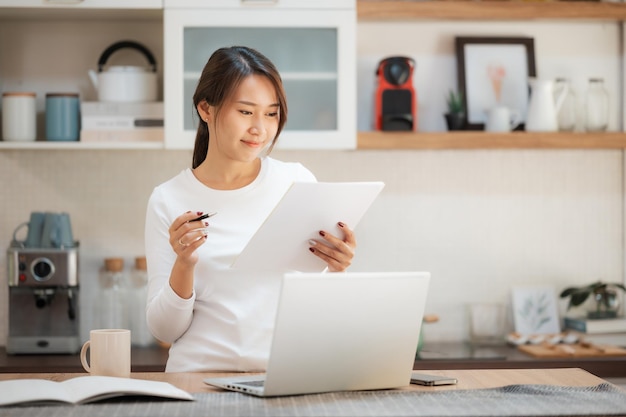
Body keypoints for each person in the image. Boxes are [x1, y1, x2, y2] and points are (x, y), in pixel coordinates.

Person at [144, 46, 356, 372]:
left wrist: (337, 270)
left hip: (286, 380)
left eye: (271, 114)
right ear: (206, 109)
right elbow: (164, 330)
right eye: (245, 112)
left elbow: (319, 310)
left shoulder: (296, 182)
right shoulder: (169, 199)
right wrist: (184, 263)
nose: (260, 128)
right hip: (200, 385)